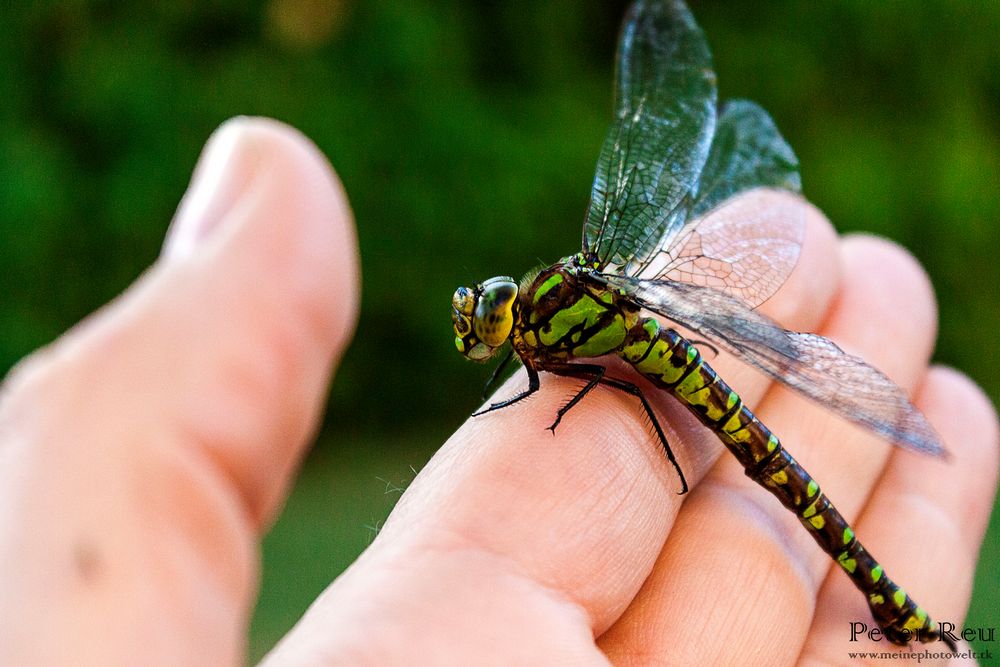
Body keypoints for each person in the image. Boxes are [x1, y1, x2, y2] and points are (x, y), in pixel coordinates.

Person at [0, 117, 995, 665]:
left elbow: (600, 387)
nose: (487, 320)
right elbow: (592, 381)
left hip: (692, 373)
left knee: (757, 451)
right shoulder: (551, 316)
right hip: (662, 361)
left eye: (489, 314)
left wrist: (566, 389)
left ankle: (889, 610)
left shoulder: (551, 328)